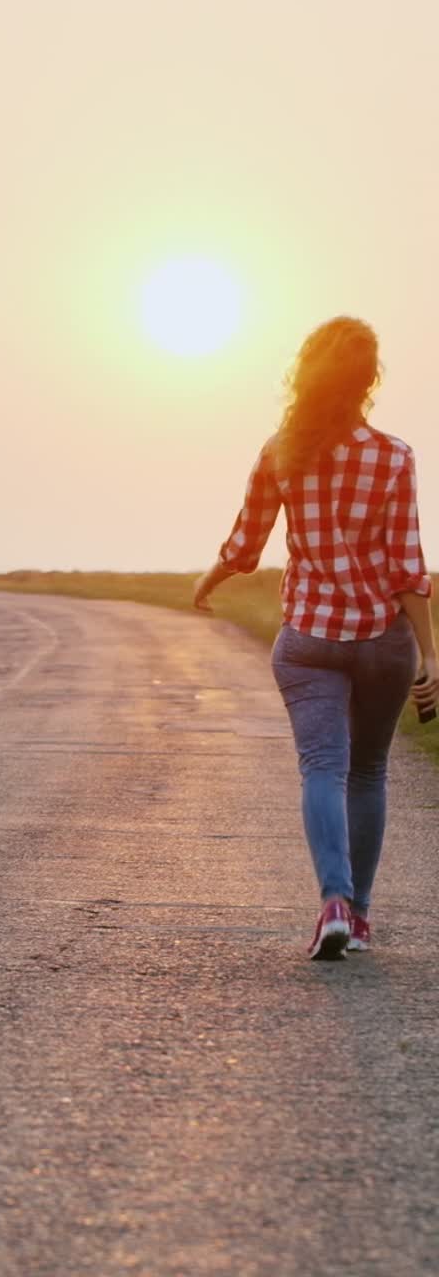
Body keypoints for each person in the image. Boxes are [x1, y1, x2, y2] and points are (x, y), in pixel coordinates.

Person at [192, 315, 439, 959]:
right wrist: (431, 655)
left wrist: (207, 581)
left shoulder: (282, 450)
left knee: (322, 768)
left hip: (307, 637)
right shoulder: (394, 456)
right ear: (369, 381)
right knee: (369, 771)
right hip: (383, 640)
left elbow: (246, 545)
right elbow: (407, 566)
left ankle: (331, 898)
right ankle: (357, 917)